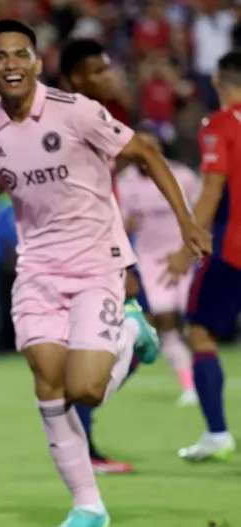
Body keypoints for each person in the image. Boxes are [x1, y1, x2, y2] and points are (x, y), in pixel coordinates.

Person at [0, 20, 209, 527]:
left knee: (86, 390)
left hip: (96, 267)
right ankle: (88, 505)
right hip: (37, 272)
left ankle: (133, 330)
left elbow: (144, 152)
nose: (11, 64)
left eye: (20, 54)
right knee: (47, 380)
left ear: (36, 62)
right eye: (1, 56)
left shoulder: (78, 113)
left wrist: (186, 222)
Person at [57, 37, 165, 474]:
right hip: (81, 254)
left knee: (91, 356)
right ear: (77, 77)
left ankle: (83, 442)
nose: (111, 76)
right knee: (97, 351)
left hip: (103, 247)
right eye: (100, 70)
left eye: (109, 68)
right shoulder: (69, 120)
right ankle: (82, 445)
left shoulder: (100, 118)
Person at [165, 49, 241, 462]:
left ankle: (217, 434)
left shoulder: (221, 126)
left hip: (233, 249)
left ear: (218, 81)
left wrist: (186, 247)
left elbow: (212, 190)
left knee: (200, 335)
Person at [117, 128, 200, 407]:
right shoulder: (126, 182)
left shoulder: (183, 176)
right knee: (164, 321)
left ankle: (200, 378)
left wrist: (189, 251)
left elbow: (201, 215)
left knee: (194, 324)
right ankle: (189, 384)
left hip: (186, 256)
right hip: (151, 261)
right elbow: (122, 220)